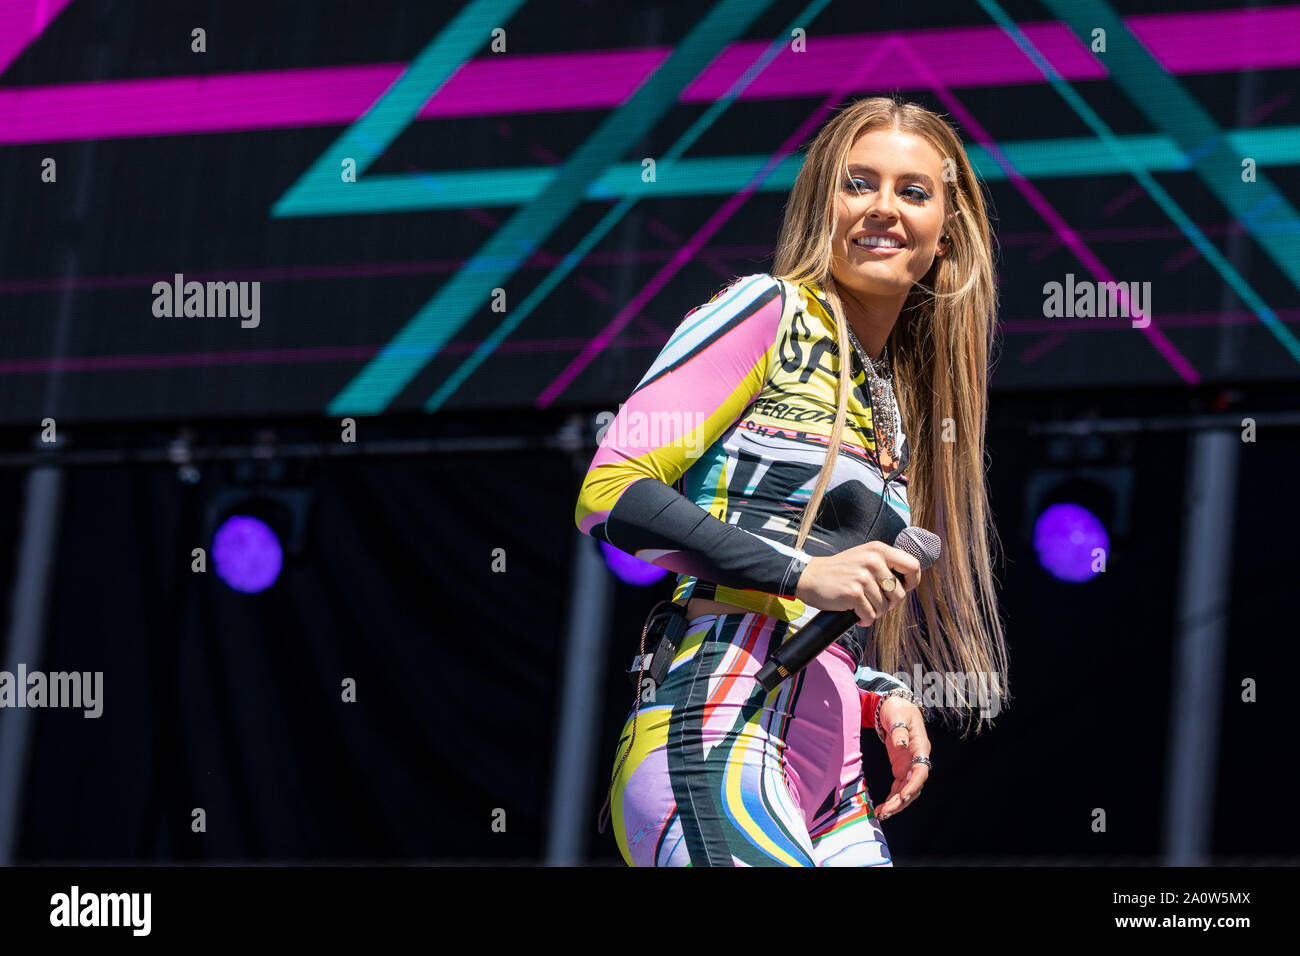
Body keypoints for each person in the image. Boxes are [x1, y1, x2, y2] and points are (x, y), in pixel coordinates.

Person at [574, 95, 1009, 866]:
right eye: (858, 183)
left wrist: (876, 690)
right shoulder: (765, 309)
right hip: (717, 722)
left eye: (913, 192)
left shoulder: (894, 401)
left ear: (947, 238)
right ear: (822, 204)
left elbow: (816, 592)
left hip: (831, 773)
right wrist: (805, 572)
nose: (883, 208)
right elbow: (610, 493)